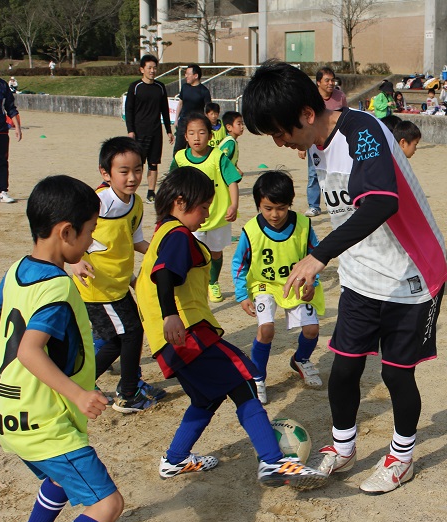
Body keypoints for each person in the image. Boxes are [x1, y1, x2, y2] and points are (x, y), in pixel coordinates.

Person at [241, 61, 447, 495]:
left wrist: (318, 257)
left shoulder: (363, 131)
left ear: (305, 113)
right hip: (360, 275)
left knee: (396, 374)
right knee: (344, 368)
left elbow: (382, 204)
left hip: (410, 275)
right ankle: (343, 448)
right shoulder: (317, 144)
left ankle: (401, 458)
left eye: (279, 132)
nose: (279, 142)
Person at [135, 167, 328, 488]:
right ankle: (273, 460)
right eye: (204, 207)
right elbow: (164, 274)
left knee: (206, 399)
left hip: (168, 342)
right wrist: (170, 315)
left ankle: (175, 458)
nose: (207, 214)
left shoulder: (162, 233)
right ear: (180, 203)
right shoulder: (177, 234)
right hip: (189, 333)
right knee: (243, 382)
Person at [0, 175, 125, 522]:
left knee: (59, 479)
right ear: (66, 232)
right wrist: (79, 394)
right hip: (46, 423)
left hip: (12, 413)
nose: (90, 242)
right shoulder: (56, 289)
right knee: (108, 504)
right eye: (89, 232)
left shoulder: (16, 271)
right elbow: (29, 350)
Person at [68, 137, 165, 413]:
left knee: (116, 340)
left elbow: (134, 241)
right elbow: (68, 232)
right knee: (131, 333)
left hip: (118, 286)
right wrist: (75, 262)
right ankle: (129, 392)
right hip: (97, 287)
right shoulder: (96, 202)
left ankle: (82, 381)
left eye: (138, 170)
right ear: (106, 173)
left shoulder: (136, 203)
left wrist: (161, 254)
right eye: (124, 171)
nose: (132, 177)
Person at [231, 170, 325, 405]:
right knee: (266, 330)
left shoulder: (303, 225)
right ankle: (258, 378)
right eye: (268, 208)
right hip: (264, 285)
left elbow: (316, 255)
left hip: (296, 283)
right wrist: (242, 294)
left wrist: (312, 281)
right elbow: (240, 263)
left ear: (290, 203)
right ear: (258, 205)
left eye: (281, 208)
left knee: (312, 329)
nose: (275, 214)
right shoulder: (251, 230)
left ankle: (301, 359)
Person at [170, 112, 240, 303]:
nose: (196, 138)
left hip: (217, 215)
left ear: (210, 136)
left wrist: (234, 205)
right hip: (191, 217)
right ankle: (192, 283)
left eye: (201, 133)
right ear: (185, 136)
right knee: (191, 251)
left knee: (215, 252)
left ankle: (213, 282)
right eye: (191, 133)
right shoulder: (180, 158)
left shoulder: (218, 157)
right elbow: (172, 183)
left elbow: (232, 181)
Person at [298, 67, 348, 218]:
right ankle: (314, 206)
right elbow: (303, 121)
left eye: (333, 80)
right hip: (314, 142)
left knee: (338, 172)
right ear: (318, 82)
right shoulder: (310, 98)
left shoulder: (340, 96)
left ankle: (340, 203)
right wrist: (301, 145)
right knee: (314, 173)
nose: (331, 83)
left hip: (336, 141)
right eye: (327, 80)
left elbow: (346, 117)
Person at [124, 54, 174, 204]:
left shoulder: (160, 87)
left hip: (156, 131)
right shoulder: (135, 87)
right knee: (137, 163)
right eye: (149, 68)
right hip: (139, 131)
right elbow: (129, 110)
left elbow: (164, 110)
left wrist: (168, 130)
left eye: (154, 68)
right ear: (142, 69)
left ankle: (151, 192)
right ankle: (131, 191)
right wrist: (130, 130)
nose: (152, 71)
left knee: (153, 163)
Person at [173, 64, 212, 155]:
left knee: (194, 149)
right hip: (183, 122)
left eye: (188, 74)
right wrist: (176, 120)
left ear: (196, 76)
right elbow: (180, 103)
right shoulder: (185, 87)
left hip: (196, 124)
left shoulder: (204, 91)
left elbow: (208, 109)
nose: (186, 76)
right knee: (178, 149)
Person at [0, 75, 21, 204]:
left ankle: (2, 191)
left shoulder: (2, 85)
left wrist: (17, 127)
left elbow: (11, 107)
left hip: (1, 129)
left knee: (2, 161)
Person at [218, 110, 245, 177]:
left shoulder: (232, 141)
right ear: (229, 127)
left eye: (242, 124)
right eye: (239, 124)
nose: (242, 127)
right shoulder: (230, 142)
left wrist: (237, 169)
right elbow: (222, 161)